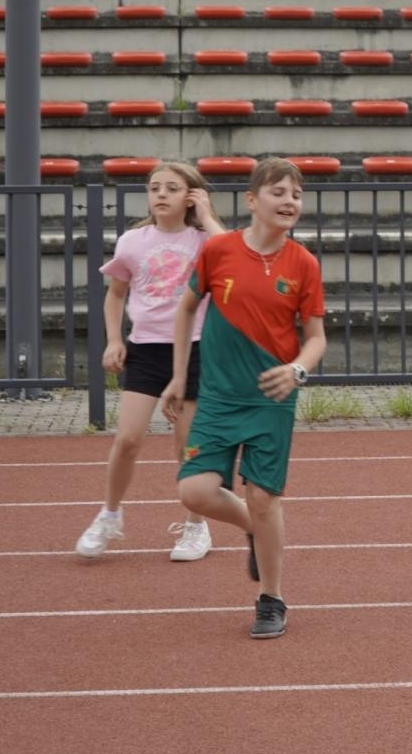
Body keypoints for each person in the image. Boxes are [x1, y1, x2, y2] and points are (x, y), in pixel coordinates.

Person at [163, 157, 326, 640]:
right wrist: (178, 377)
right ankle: (254, 528)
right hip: (217, 397)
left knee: (263, 497)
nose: (290, 201)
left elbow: (316, 338)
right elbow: (185, 309)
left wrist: (297, 370)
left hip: (271, 399)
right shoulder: (219, 250)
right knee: (193, 491)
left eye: (296, 194)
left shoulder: (304, 263)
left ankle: (271, 598)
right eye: (278, 192)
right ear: (252, 200)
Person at [76, 161, 224, 560]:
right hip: (145, 350)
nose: (161, 194)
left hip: (194, 350)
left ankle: (195, 526)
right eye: (155, 187)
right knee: (127, 439)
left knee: (186, 446)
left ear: (190, 196)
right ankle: (109, 515)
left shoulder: (204, 240)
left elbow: (233, 253)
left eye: (172, 188)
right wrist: (113, 340)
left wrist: (206, 215)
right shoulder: (133, 241)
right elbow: (115, 295)